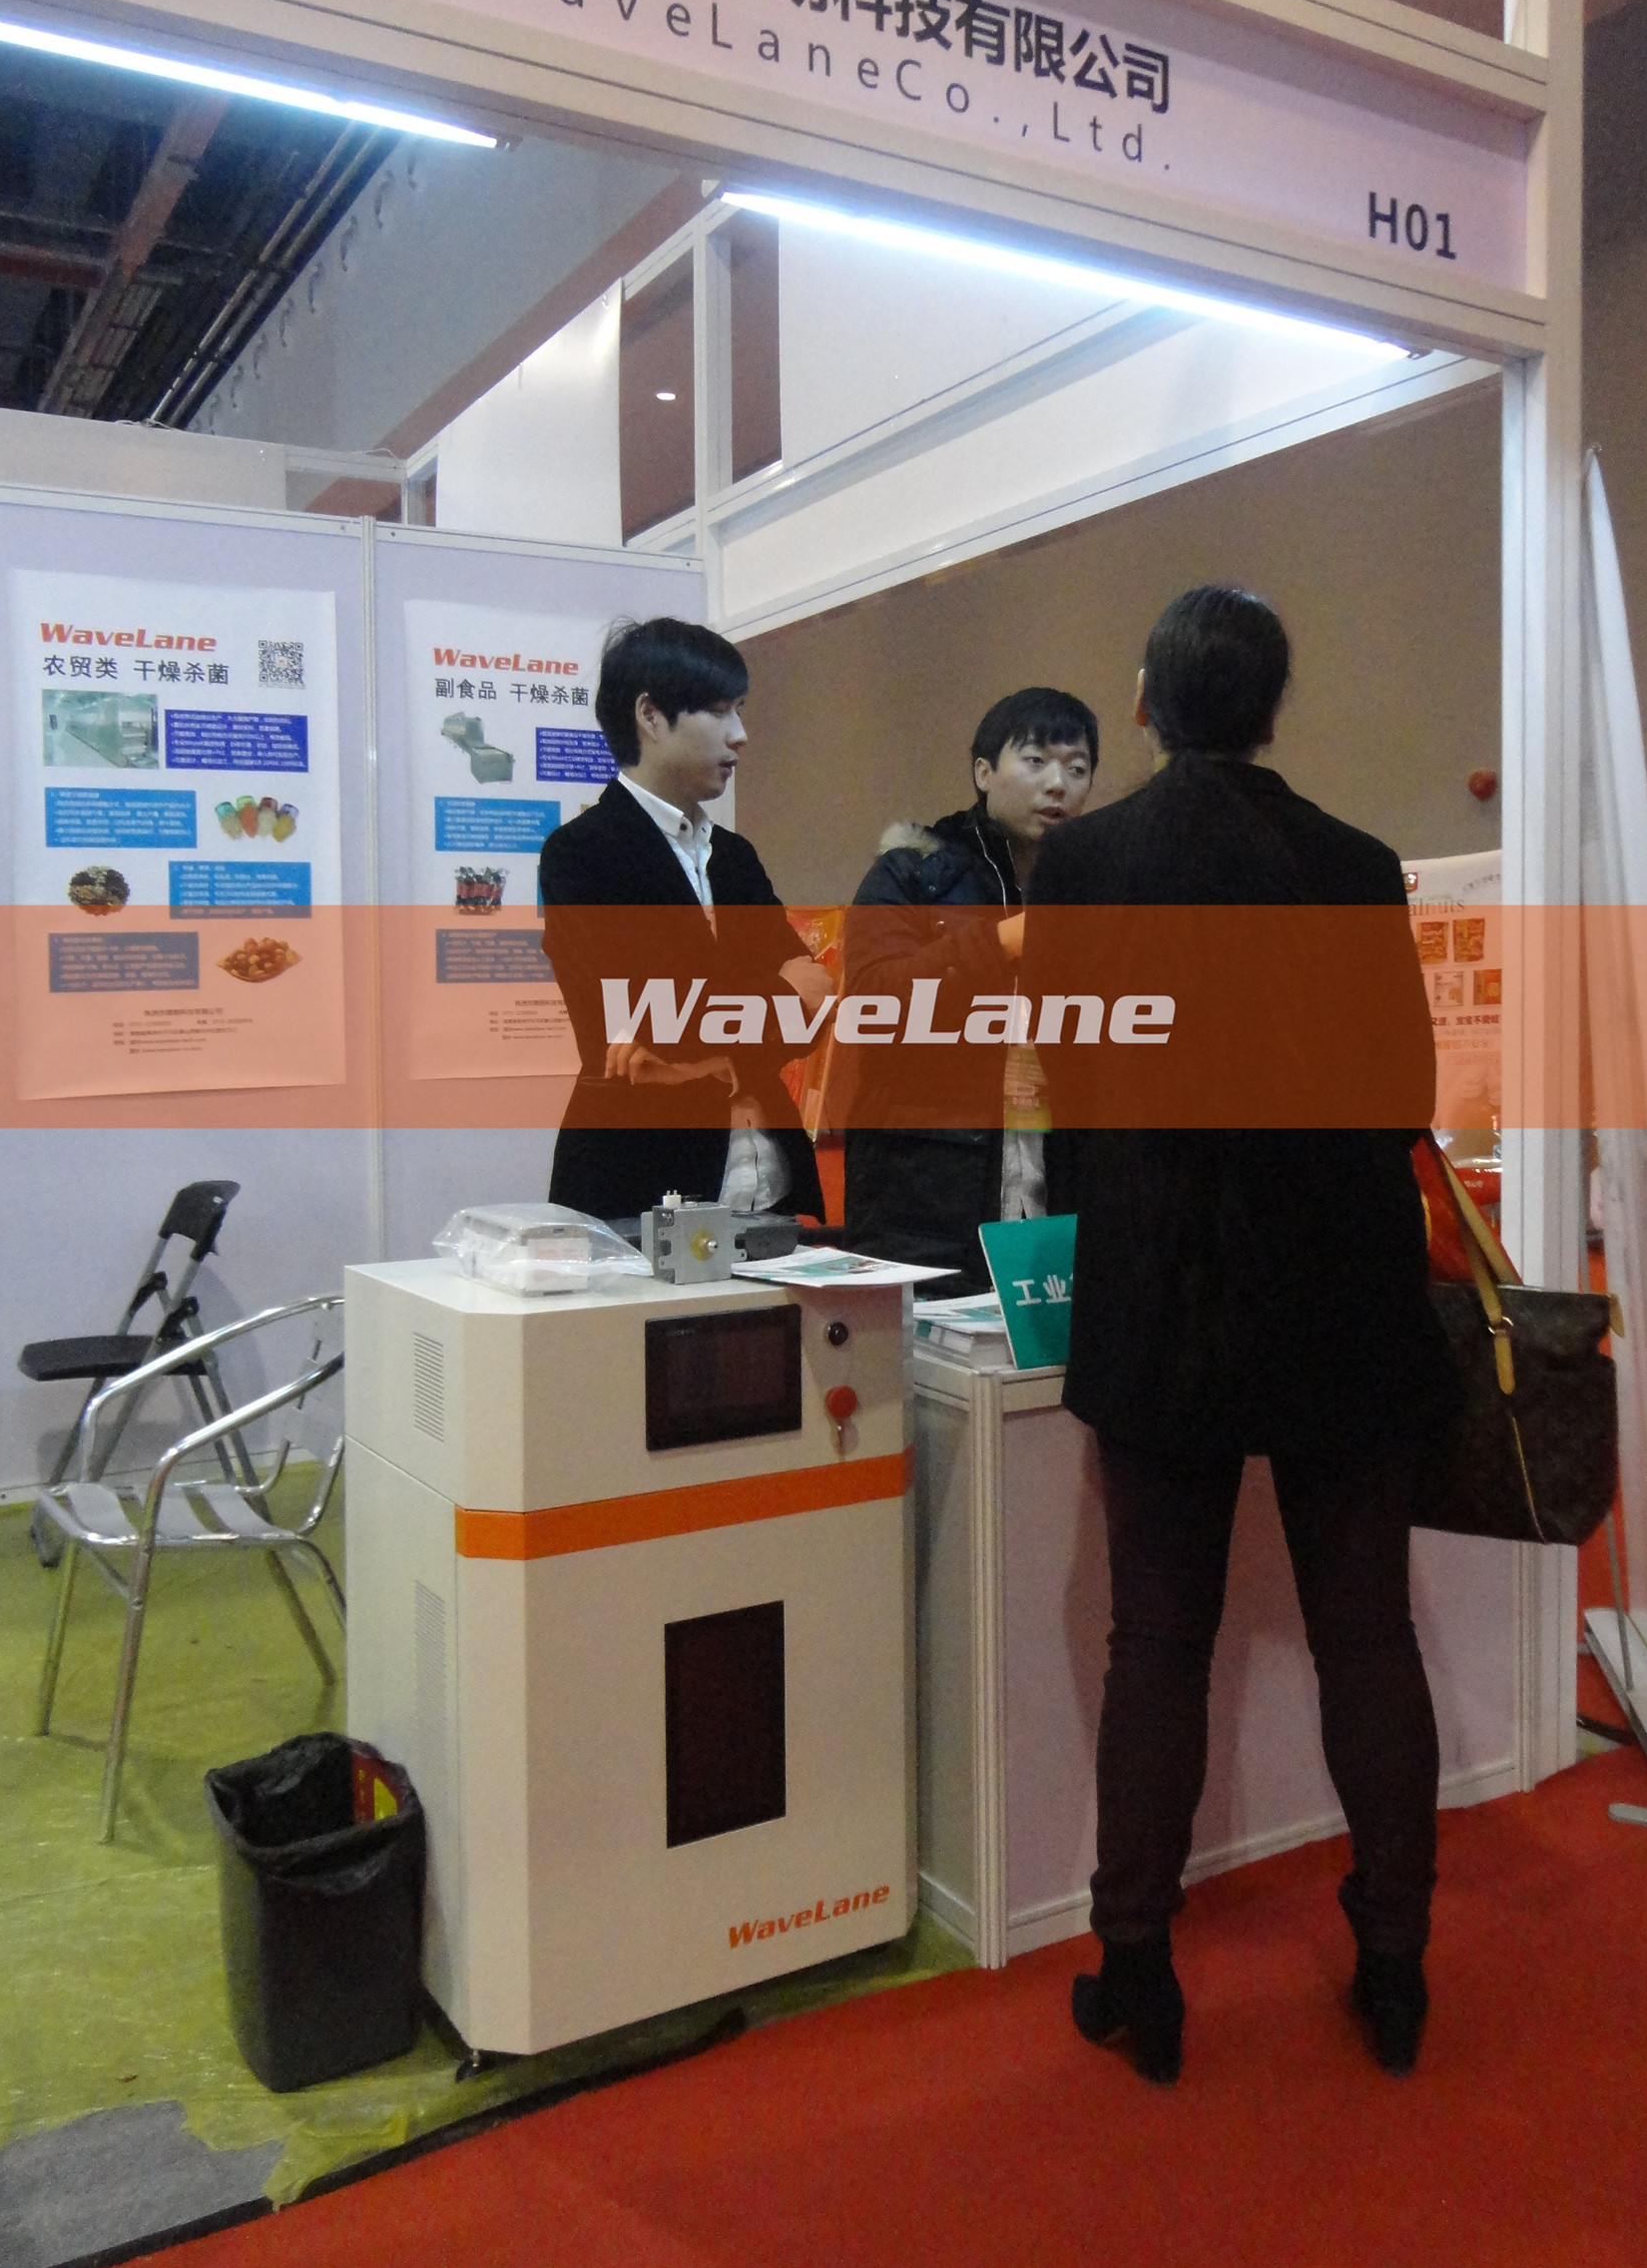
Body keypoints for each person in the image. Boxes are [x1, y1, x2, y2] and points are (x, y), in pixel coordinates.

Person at [1025, 583, 1456, 2085]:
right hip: (1345, 1293)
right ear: (1273, 708)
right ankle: (1394, 1964)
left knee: (1156, 1641)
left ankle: (1136, 1968)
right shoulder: (1355, 864)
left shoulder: (1085, 864)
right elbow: (1402, 1092)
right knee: (1368, 1634)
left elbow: (1071, 1088)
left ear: (1146, 703)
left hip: (1163, 1293)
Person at [537, 616, 828, 1226]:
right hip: (642, 1180)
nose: (741, 734)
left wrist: (704, 1058)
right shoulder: (583, 851)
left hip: (770, 1183)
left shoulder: (735, 856)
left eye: (739, 710)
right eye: (720, 711)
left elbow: (815, 1002)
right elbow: (650, 1014)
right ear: (650, 715)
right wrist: (762, 1007)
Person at [842, 688, 1098, 1288]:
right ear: (983, 772)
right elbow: (874, 1006)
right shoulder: (911, 873)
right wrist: (1003, 942)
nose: (1057, 784)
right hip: (927, 1195)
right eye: (1036, 761)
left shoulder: (1097, 886)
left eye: (1077, 768)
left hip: (1057, 1180)